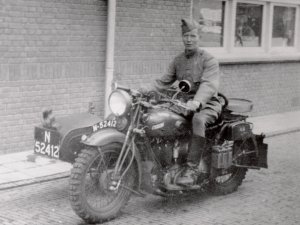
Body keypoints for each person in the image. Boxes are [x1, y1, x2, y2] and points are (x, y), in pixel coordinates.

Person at [150, 18, 222, 184]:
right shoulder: (178, 60)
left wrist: (196, 103)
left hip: (207, 104)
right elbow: (163, 81)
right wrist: (142, 90)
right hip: (182, 103)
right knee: (161, 118)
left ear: (199, 37)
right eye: (186, 36)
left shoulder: (209, 60)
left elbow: (208, 85)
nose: (189, 40)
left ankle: (192, 168)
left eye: (193, 36)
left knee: (198, 120)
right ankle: (165, 162)